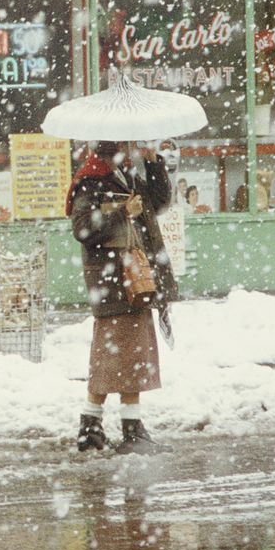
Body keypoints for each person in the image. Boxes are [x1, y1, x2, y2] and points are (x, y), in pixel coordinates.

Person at [68, 139, 178, 455]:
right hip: (115, 280)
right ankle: (127, 431)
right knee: (118, 357)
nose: (133, 149)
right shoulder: (91, 180)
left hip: (133, 278)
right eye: (129, 145)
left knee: (123, 357)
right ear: (113, 147)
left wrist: (154, 161)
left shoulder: (125, 174)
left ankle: (94, 428)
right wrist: (121, 213)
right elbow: (83, 228)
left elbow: (158, 202)